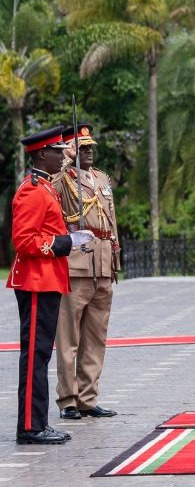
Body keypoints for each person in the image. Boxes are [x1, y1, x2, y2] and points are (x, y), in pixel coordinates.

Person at [7, 126, 94, 444]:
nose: (64, 155)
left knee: (40, 353)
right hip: (34, 281)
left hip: (45, 280)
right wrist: (66, 241)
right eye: (58, 151)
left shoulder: (44, 187)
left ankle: (37, 422)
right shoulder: (32, 189)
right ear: (42, 154)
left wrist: (69, 233)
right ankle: (30, 426)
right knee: (34, 355)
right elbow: (25, 241)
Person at [51, 124, 120, 420]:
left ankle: (87, 398)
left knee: (96, 336)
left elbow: (111, 220)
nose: (88, 152)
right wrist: (65, 161)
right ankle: (68, 399)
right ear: (73, 151)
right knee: (69, 338)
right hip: (77, 265)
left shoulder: (102, 178)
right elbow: (47, 190)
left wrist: (115, 259)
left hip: (103, 265)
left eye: (91, 148)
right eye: (82, 148)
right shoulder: (63, 178)